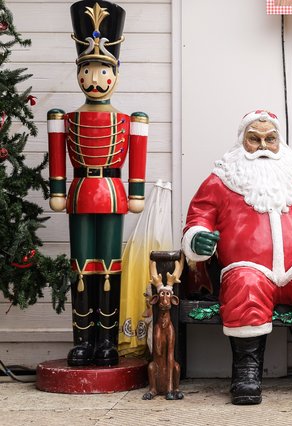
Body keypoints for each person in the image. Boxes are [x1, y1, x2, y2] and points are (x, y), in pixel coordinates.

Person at [182, 110, 292, 405]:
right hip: (249, 267)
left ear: (279, 141)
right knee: (244, 286)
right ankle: (247, 371)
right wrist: (198, 238)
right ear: (241, 141)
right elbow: (199, 217)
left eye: (270, 139)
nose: (262, 145)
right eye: (254, 139)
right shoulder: (221, 179)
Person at [47, 0, 148, 367]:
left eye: (102, 71)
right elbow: (58, 157)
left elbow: (136, 158)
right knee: (81, 265)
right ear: (79, 73)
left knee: (109, 265)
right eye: (88, 70)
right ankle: (83, 340)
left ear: (115, 75)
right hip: (78, 194)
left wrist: (136, 192)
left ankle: (107, 341)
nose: (95, 79)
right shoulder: (63, 118)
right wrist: (58, 190)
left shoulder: (130, 119)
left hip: (112, 194)